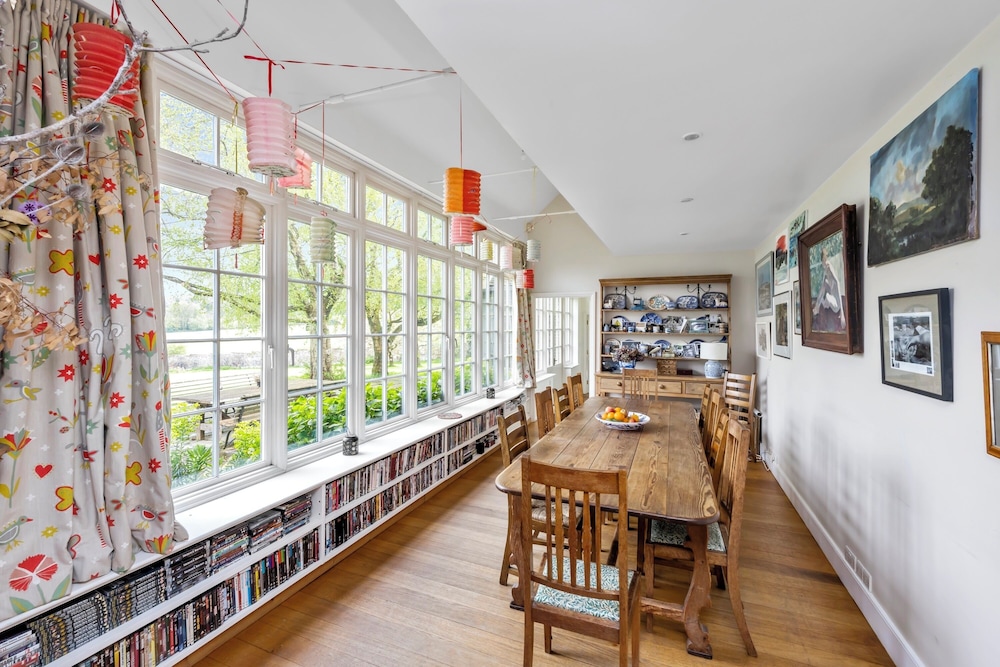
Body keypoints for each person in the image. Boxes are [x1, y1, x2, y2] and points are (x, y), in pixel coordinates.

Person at [812, 245, 846, 332]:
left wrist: (842, 313)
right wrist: (817, 305)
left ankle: (820, 306)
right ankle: (818, 307)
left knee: (826, 294)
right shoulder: (826, 271)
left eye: (825, 258)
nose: (825, 261)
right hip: (831, 302)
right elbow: (822, 289)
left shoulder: (829, 266)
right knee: (824, 285)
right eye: (824, 259)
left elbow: (837, 283)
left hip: (836, 304)